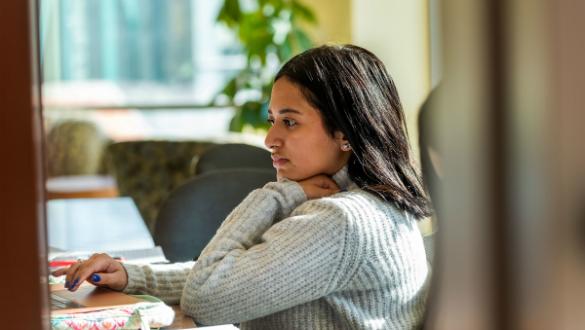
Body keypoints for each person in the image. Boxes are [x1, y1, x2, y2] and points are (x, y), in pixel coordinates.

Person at [53, 44, 433, 329]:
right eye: (272, 120)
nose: (270, 138)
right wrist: (135, 276)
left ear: (344, 132)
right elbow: (247, 276)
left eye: (290, 122)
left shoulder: (340, 221)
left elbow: (207, 297)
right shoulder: (368, 205)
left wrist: (277, 194)